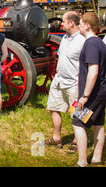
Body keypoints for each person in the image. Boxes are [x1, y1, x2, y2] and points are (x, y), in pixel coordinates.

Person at [45, 11, 85, 150]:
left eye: (63, 21)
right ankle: (57, 138)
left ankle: (76, 141)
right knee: (53, 108)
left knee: (77, 113)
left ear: (71, 23)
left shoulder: (82, 40)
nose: (61, 23)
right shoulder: (66, 38)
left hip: (74, 83)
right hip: (59, 80)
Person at [72, 12, 106, 167]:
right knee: (98, 124)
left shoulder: (91, 43)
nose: (78, 25)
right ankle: (97, 159)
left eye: (80, 23)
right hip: (101, 90)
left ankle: (82, 161)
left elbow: (93, 71)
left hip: (93, 92)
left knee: (77, 122)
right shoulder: (100, 42)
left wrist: (85, 96)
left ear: (87, 25)